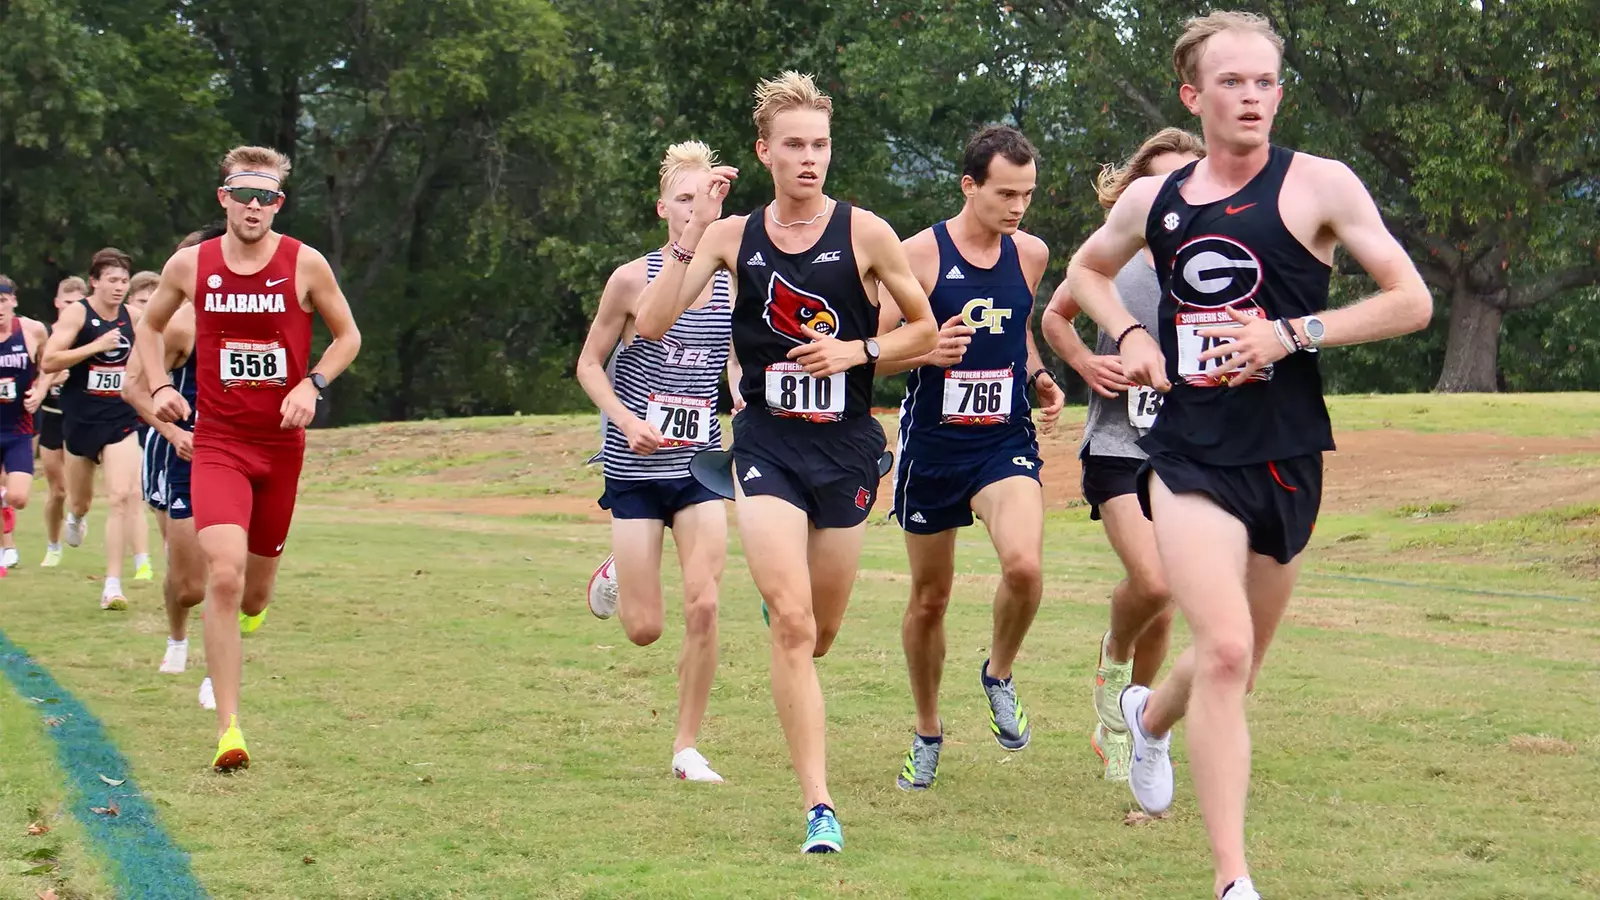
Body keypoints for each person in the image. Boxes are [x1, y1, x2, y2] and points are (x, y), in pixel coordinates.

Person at [1063, 12, 1432, 899]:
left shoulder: (1322, 186)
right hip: (1187, 449)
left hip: (1287, 453)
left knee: (1242, 661)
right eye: (1232, 82)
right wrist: (1126, 334)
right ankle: (1234, 881)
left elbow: (1411, 300)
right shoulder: (1156, 199)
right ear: (1195, 96)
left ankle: (1147, 719)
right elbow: (1085, 272)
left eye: (1265, 81)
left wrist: (1289, 335)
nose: (1253, 96)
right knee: (1222, 647)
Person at [635, 71, 937, 853]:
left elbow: (926, 333)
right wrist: (688, 235)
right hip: (766, 443)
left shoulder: (866, 232)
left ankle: (788, 609)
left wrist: (857, 349)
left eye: (821, 145)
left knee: (821, 630)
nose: (810, 159)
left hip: (846, 450)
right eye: (795, 145)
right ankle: (819, 806)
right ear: (765, 152)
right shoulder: (732, 238)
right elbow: (653, 322)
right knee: (795, 627)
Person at [136, 145, 362, 771]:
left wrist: (310, 384)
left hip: (280, 447)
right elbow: (150, 330)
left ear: (279, 204)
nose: (255, 207)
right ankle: (229, 728)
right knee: (224, 575)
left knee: (255, 595)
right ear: (225, 199)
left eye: (267, 197)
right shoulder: (191, 265)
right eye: (244, 195)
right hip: (219, 445)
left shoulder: (303, 263)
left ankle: (247, 617)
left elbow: (348, 336)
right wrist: (158, 387)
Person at [874, 125, 1064, 791]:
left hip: (1002, 443)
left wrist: (1038, 376)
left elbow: (1020, 331)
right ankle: (927, 732)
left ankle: (999, 672)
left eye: (1027, 195)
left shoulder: (1031, 254)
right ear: (969, 185)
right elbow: (874, 351)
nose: (1017, 208)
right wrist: (927, 351)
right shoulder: (917, 255)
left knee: (1026, 566)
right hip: (932, 449)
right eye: (1005, 194)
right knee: (930, 599)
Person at [1041, 127, 1205, 780]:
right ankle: (1113, 666)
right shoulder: (1115, 259)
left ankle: (1138, 726)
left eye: (1188, 177)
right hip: (1116, 444)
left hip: (1190, 449)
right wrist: (1087, 362)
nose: (1175, 190)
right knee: (1156, 582)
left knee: (1166, 604)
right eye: (1161, 179)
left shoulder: (1219, 262)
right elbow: (1056, 316)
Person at [575, 141, 739, 784]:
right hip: (635, 469)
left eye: (707, 198)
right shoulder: (630, 278)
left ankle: (686, 746)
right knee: (644, 629)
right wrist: (627, 422)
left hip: (699, 469)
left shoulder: (729, 279)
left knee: (705, 605)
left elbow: (734, 358)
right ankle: (620, 565)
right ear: (663, 207)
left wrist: (746, 393)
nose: (697, 208)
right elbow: (590, 364)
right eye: (685, 199)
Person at [125, 227, 226, 681]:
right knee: (189, 588)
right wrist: (173, 433)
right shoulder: (177, 325)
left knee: (225, 570)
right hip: (179, 454)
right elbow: (133, 388)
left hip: (232, 456)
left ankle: (215, 676)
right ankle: (177, 637)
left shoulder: (248, 317)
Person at [40, 248, 151, 608]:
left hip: (121, 417)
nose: (119, 288)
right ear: (94, 281)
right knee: (81, 500)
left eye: (123, 281)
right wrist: (94, 347)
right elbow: (49, 360)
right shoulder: (78, 313)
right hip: (81, 419)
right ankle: (74, 517)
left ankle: (112, 586)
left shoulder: (134, 317)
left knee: (121, 496)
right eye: (112, 281)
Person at [0, 276, 51, 573]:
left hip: (19, 428)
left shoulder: (32, 331)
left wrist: (41, 390)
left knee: (17, 497)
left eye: (4, 301)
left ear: (14, 301)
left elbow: (50, 367)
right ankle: (7, 547)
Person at [35, 277, 86, 567]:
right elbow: (41, 369)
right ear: (57, 304)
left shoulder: (91, 335)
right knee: (58, 490)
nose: (71, 308)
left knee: (77, 491)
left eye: (77, 303)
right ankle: (53, 546)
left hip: (78, 417)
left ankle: (77, 515)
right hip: (52, 417)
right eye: (66, 303)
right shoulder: (47, 335)